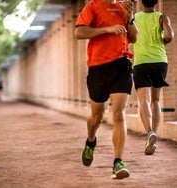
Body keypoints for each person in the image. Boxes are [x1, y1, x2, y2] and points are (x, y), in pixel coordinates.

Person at [74, 0, 138, 179]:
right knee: (97, 116)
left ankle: (118, 161)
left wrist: (130, 19)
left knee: (118, 114)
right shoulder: (93, 6)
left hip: (121, 64)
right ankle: (90, 141)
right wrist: (107, 29)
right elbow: (78, 32)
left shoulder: (124, 6)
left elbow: (134, 38)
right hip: (98, 68)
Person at [133, 0, 174, 155]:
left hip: (141, 62)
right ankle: (154, 133)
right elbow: (170, 36)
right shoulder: (162, 17)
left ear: (141, 2)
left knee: (144, 100)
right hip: (159, 61)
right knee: (156, 100)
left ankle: (149, 132)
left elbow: (128, 37)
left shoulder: (135, 18)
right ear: (156, 2)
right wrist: (162, 40)